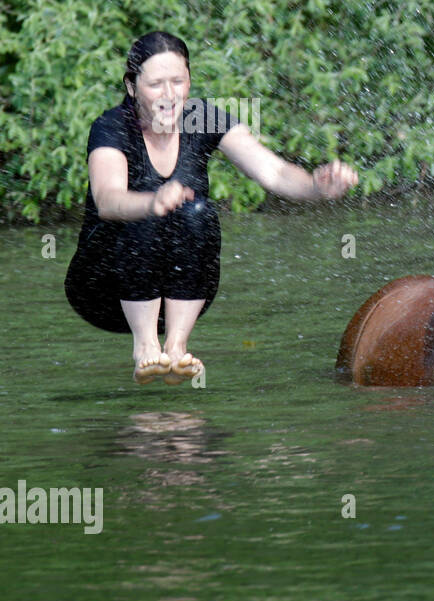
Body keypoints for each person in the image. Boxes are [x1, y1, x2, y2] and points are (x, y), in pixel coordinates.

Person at [65, 31, 359, 384]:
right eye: (156, 84)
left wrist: (316, 186)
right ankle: (145, 347)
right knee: (145, 210)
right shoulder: (111, 127)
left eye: (178, 81)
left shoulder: (202, 117)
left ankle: (175, 348)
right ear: (132, 87)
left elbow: (276, 172)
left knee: (197, 212)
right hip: (102, 287)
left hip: (178, 289)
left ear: (190, 80)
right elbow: (109, 200)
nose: (169, 95)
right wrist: (153, 200)